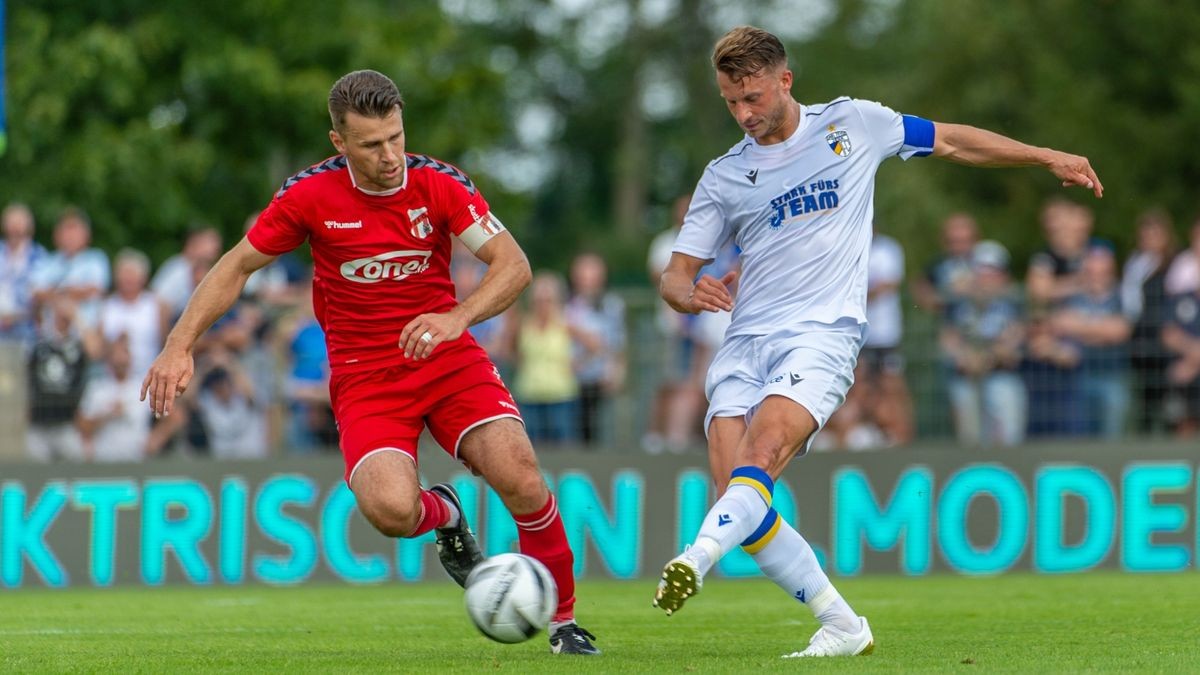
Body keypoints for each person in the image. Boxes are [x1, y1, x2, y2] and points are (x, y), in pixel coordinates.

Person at [651, 26, 1103, 658]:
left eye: (752, 97)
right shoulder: (725, 175)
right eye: (731, 102)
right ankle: (843, 626)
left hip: (822, 334)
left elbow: (950, 140)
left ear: (785, 80)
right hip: (743, 340)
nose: (744, 114)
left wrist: (1043, 154)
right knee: (743, 505)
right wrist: (688, 291)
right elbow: (675, 273)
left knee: (764, 451)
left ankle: (696, 558)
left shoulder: (853, 123)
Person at [140, 70, 599, 655]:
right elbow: (235, 266)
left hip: (447, 356)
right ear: (339, 143)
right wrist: (179, 344)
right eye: (371, 144)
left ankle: (564, 624)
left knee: (520, 474)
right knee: (389, 510)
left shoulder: (441, 185)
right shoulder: (308, 196)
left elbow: (514, 266)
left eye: (395, 138)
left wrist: (457, 318)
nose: (389, 156)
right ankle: (447, 517)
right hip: (365, 375)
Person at [940, 241, 1027, 447]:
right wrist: (965, 356)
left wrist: (987, 356)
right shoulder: (959, 304)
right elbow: (948, 339)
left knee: (1008, 438)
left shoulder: (1012, 302)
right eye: (981, 272)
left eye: (992, 272)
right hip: (967, 378)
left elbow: (1015, 338)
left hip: (1002, 375)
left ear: (1003, 275)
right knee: (970, 440)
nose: (986, 278)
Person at [565, 252, 626, 446]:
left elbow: (617, 342)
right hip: (570, 378)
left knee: (599, 428)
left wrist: (616, 370)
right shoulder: (566, 305)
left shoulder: (612, 305)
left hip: (599, 377)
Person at [0, 202, 48, 346]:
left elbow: (39, 294)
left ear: (29, 227)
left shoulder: (38, 256)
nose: (15, 228)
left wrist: (13, 318)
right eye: (11, 223)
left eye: (19, 224)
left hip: (25, 326)